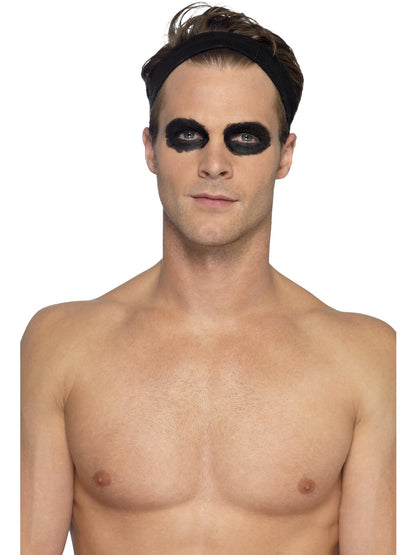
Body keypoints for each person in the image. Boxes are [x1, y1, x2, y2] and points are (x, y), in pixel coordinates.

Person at [21, 3, 396, 554]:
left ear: (285, 155)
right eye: (188, 135)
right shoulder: (61, 345)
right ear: (150, 148)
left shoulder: (367, 358)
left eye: (244, 137)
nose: (214, 163)